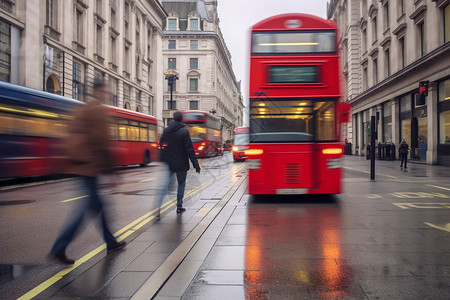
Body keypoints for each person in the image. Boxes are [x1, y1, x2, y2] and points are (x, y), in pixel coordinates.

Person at [49, 82, 125, 265]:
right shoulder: (97, 111)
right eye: (105, 91)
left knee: (100, 206)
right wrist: (111, 172)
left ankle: (111, 241)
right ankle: (59, 248)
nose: (107, 94)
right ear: (99, 91)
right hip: (90, 166)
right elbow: (101, 142)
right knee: (83, 211)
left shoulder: (82, 109)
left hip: (81, 164)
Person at [158, 111, 201, 216]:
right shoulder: (184, 132)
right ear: (181, 119)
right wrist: (196, 165)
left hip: (170, 163)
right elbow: (189, 150)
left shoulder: (166, 131)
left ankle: (157, 208)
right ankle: (179, 206)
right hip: (181, 164)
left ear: (173, 118)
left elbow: (162, 146)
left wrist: (163, 159)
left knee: (165, 186)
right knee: (181, 185)